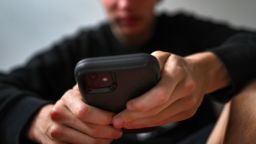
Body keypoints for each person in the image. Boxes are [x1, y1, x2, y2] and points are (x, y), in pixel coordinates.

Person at [1, 0, 256, 143]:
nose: (125, 5)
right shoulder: (78, 47)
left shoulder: (186, 30)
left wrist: (204, 71)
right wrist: (38, 121)